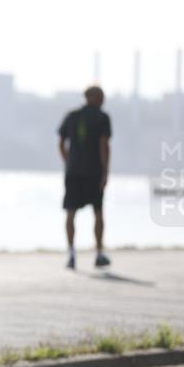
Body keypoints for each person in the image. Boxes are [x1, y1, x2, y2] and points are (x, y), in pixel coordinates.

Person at [58, 85, 112, 269]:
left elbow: (61, 143)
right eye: (102, 96)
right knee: (97, 212)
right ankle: (98, 253)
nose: (104, 99)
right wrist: (105, 171)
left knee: (70, 213)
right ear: (94, 97)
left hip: (73, 171)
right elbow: (104, 145)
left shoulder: (72, 116)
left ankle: (71, 254)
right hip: (94, 172)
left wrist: (68, 162)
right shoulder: (102, 118)